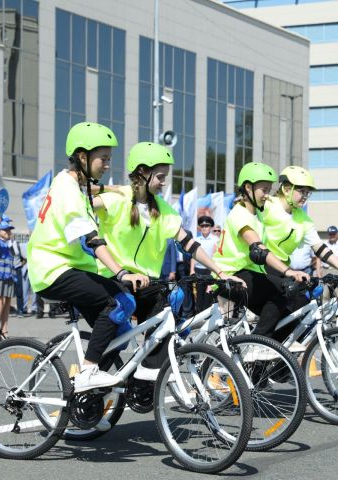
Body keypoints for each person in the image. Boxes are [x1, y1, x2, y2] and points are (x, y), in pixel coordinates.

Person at [92, 142, 243, 381]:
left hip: (147, 282)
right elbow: (78, 202)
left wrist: (220, 272)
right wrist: (106, 189)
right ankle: (89, 371)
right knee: (120, 317)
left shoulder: (163, 209)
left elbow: (190, 244)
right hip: (114, 276)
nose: (164, 182)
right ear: (142, 171)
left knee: (165, 312)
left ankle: (148, 373)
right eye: (160, 177)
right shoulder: (117, 199)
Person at [28, 122, 148, 392]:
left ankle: (87, 396)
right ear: (83, 157)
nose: (107, 164)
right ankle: (87, 372)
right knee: (119, 301)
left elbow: (96, 194)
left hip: (71, 267)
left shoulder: (78, 187)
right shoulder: (66, 189)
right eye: (103, 158)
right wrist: (121, 273)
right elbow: (92, 239)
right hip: (52, 268)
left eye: (109, 159)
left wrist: (114, 190)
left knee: (118, 331)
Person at [213, 162, 309, 344]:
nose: (268, 195)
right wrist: (289, 271)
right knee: (283, 289)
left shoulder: (257, 214)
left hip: (250, 274)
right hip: (232, 275)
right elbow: (258, 249)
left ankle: (272, 367)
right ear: (248, 187)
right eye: (264, 190)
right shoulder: (240, 214)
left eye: (269, 190)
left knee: (287, 316)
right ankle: (258, 345)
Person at [261, 166, 338, 318]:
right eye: (301, 191)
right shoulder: (267, 205)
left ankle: (284, 340)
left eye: (308, 192)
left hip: (282, 267)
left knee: (301, 303)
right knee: (276, 311)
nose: (305, 196)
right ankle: (261, 340)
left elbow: (320, 248)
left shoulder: (303, 218)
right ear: (286, 189)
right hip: (260, 265)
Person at [191, 215, 219, 312]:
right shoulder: (196, 239)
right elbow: (193, 256)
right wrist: (192, 270)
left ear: (210, 227)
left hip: (209, 271)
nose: (204, 228)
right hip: (199, 270)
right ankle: (199, 314)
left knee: (209, 294)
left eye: (206, 226)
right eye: (202, 226)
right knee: (199, 294)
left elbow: (217, 257)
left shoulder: (215, 240)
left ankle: (207, 315)